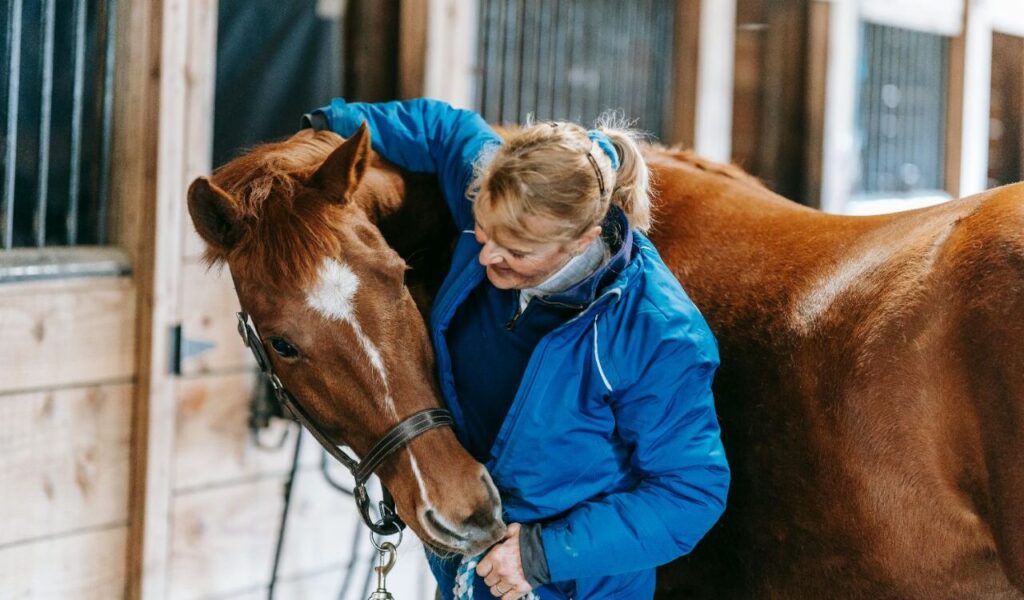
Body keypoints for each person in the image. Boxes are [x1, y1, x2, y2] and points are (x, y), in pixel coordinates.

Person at [302, 98, 730, 600]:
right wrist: (328, 125)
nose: (486, 257)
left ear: (583, 239)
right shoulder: (505, 200)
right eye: (482, 232)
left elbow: (691, 491)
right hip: (471, 573)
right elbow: (446, 129)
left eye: (517, 251)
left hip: (565, 584)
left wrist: (542, 555)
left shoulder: (658, 333)